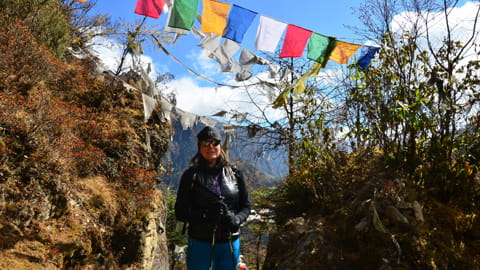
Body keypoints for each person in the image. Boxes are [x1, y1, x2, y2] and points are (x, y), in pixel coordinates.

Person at [175, 126, 251, 270]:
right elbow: (180, 212)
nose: (210, 147)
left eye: (214, 143)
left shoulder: (235, 173)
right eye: (205, 143)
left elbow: (246, 206)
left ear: (220, 145)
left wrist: (237, 219)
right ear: (199, 147)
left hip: (230, 242)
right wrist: (205, 215)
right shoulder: (191, 176)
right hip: (200, 243)